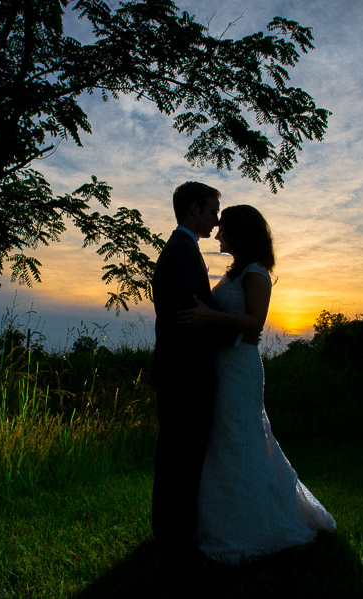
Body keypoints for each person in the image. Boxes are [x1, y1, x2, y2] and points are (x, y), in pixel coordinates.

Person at [178, 204, 336, 564]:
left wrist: (206, 316)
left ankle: (254, 524)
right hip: (222, 364)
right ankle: (217, 521)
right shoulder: (232, 274)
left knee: (240, 438)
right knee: (223, 441)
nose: (217, 234)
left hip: (240, 369)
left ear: (240, 233)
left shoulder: (256, 272)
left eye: (224, 229)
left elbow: (254, 325)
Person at [150, 181, 222, 552]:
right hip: (184, 372)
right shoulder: (181, 251)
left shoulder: (183, 249)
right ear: (193, 210)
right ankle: (174, 536)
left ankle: (171, 531)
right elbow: (187, 318)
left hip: (180, 370)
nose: (216, 219)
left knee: (178, 452)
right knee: (181, 454)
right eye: (212, 211)